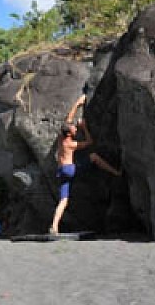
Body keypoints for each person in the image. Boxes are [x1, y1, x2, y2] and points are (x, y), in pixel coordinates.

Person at [49, 94, 121, 235]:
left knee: (63, 200)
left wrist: (78, 103)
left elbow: (68, 119)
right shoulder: (72, 144)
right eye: (74, 129)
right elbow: (90, 142)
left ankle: (54, 226)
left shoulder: (61, 138)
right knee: (94, 157)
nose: (75, 128)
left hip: (61, 171)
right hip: (70, 169)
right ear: (69, 134)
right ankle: (116, 172)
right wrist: (84, 127)